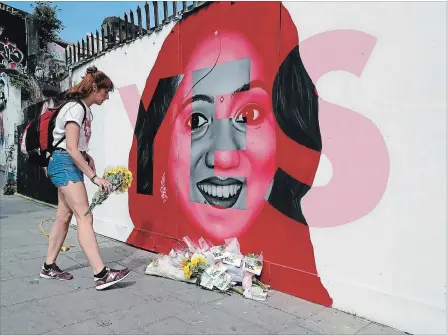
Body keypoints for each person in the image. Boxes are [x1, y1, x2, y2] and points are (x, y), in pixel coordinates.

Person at [127, 2, 332, 305]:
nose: (222, 157)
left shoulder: (303, 275)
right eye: (197, 120)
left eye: (248, 115)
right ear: (163, 144)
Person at [40, 66, 130, 291]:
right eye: (105, 92)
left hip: (66, 162)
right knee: (84, 216)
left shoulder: (82, 109)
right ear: (94, 88)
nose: (107, 97)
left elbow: (73, 145)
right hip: (64, 164)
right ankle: (101, 274)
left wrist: (86, 156)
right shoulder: (75, 108)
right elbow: (70, 147)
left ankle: (48, 266)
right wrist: (94, 177)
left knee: (64, 217)